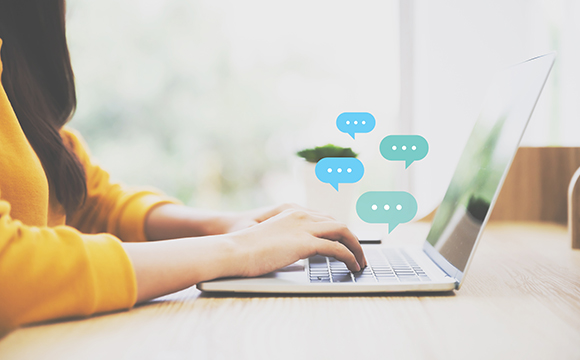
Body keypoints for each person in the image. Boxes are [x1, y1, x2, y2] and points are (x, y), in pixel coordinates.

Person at [0, 0, 366, 334]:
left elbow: (87, 200)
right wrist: (239, 249)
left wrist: (220, 225)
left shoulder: (15, 65)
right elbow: (8, 267)